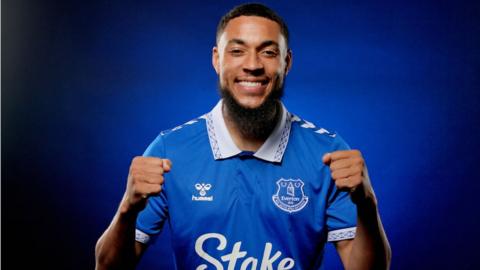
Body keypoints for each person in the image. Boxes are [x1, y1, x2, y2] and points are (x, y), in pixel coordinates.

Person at [95, 3, 391, 270]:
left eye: (268, 51)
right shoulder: (169, 150)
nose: (253, 64)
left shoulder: (328, 152)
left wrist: (367, 205)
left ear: (286, 63)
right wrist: (127, 209)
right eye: (237, 51)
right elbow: (107, 266)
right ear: (217, 60)